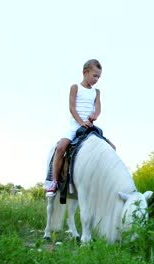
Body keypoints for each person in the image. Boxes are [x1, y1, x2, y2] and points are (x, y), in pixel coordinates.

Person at [45, 59, 115, 197]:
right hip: (74, 126)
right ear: (85, 72)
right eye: (95, 76)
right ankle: (54, 180)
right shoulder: (75, 87)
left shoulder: (96, 91)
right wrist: (81, 122)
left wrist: (94, 116)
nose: (97, 79)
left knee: (112, 147)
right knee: (60, 147)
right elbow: (71, 108)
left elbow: (98, 109)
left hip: (89, 126)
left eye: (99, 77)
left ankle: (102, 181)